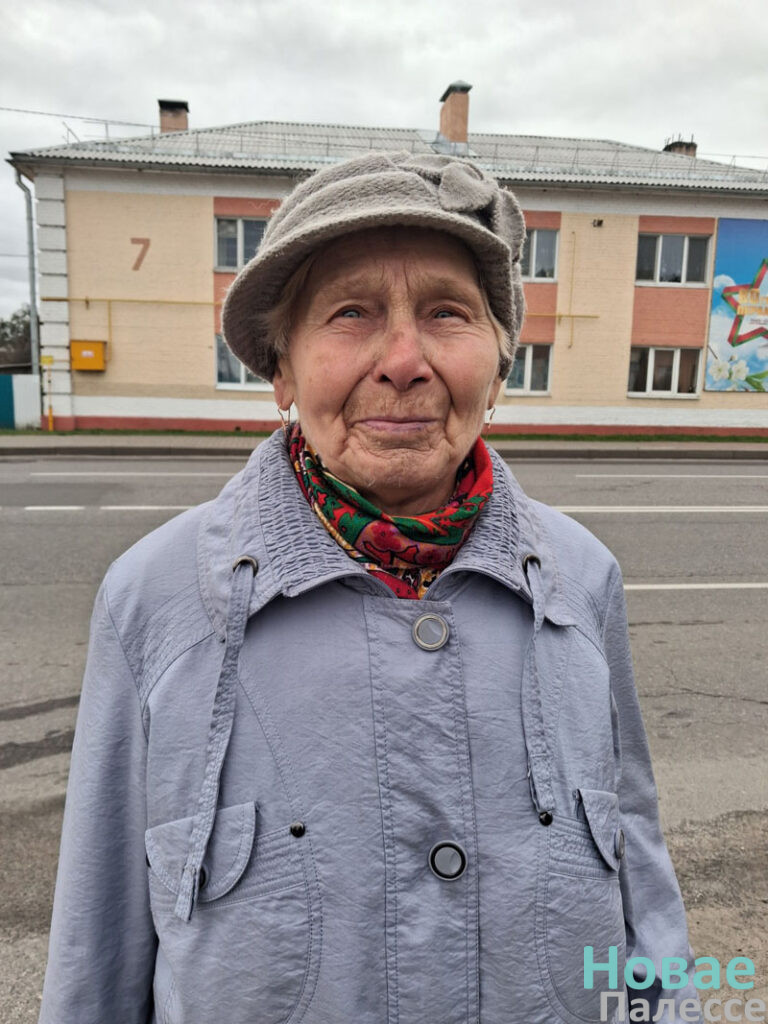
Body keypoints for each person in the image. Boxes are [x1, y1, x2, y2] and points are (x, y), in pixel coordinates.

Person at [38, 151, 701, 1024]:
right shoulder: (155, 597)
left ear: (499, 366)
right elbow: (96, 948)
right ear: (282, 370)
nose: (404, 361)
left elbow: (641, 889)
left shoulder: (583, 579)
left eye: (447, 313)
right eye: (350, 313)